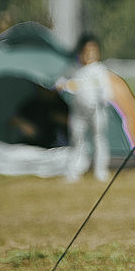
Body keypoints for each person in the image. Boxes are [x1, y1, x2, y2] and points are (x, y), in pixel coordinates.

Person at [57, 34, 113, 182]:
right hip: (78, 111)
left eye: (93, 51)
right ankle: (74, 170)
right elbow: (67, 83)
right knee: (77, 139)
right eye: (86, 52)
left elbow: (106, 90)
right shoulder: (76, 70)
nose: (90, 55)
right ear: (80, 53)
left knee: (99, 138)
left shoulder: (99, 70)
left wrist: (104, 99)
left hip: (96, 110)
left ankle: (101, 170)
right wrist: (62, 85)